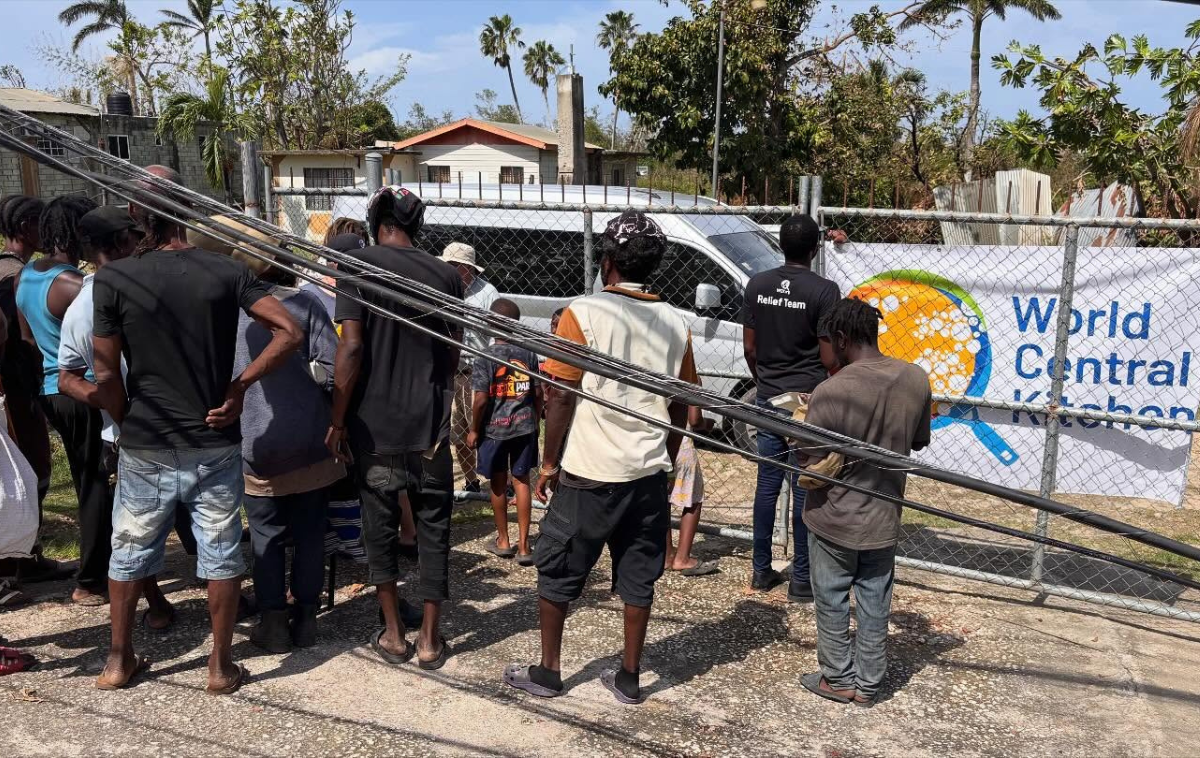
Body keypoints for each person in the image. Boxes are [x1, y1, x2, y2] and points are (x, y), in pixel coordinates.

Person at [92, 172, 302, 693]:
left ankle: (119, 662)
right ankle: (219, 666)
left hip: (145, 442)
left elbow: (102, 375)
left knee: (129, 550)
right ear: (189, 211)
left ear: (136, 217)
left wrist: (126, 422)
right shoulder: (224, 272)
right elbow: (291, 331)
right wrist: (240, 387)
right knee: (222, 550)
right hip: (213, 441)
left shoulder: (115, 280)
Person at [503, 210, 696, 705]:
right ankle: (629, 677)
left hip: (590, 472)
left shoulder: (583, 312)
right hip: (647, 475)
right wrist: (666, 456)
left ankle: (549, 671)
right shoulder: (677, 322)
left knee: (559, 567)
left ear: (608, 261)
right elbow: (682, 403)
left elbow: (561, 396)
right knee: (639, 574)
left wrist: (548, 465)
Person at [327, 186, 463, 670]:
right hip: (429, 429)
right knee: (434, 530)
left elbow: (352, 348)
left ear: (376, 220)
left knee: (379, 528)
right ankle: (430, 638)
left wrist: (338, 418)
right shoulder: (447, 275)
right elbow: (452, 354)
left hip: (373, 429)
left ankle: (392, 633)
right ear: (416, 223)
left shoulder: (356, 267)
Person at [204, 218, 342, 653]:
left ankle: (273, 622)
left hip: (255, 441)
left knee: (265, 535)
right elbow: (334, 370)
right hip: (310, 440)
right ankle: (306, 618)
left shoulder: (227, 312)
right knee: (310, 532)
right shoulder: (305, 306)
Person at [797, 298, 931, 708]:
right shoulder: (915, 378)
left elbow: (809, 458)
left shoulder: (831, 390)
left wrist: (798, 424)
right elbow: (919, 440)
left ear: (840, 339)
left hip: (833, 517)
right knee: (875, 598)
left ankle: (838, 678)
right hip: (884, 516)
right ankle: (870, 682)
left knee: (832, 595)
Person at [56, 205, 177, 631]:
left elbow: (66, 377)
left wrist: (114, 409)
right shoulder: (102, 298)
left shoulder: (83, 302)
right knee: (142, 531)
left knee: (140, 528)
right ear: (124, 243)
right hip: (141, 433)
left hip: (136, 429)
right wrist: (120, 409)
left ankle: (157, 606)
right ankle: (148, 617)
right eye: (135, 236)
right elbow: (79, 377)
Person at [15, 195, 114, 606]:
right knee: (95, 484)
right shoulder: (74, 285)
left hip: (48, 391)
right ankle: (92, 580)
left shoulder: (27, 278)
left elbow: (26, 341)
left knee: (83, 478)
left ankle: (97, 569)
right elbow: (101, 342)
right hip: (82, 391)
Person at [741, 214, 839, 601]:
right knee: (805, 487)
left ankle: (761, 570)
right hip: (806, 402)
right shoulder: (824, 290)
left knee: (767, 484)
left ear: (780, 244)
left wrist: (766, 378)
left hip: (768, 396)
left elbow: (750, 348)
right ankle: (801, 579)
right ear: (815, 249)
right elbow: (830, 355)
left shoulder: (758, 285)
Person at [0, 196, 65, 585]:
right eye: (42, 224)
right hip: (17, 392)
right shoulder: (13, 276)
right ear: (26, 227)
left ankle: (25, 556)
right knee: (30, 470)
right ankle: (18, 562)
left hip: (18, 389)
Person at [467, 298, 540, 566]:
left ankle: (503, 540)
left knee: (498, 483)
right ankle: (524, 545)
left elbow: (481, 399)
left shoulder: (484, 357)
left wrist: (474, 429)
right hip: (524, 426)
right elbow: (538, 391)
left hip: (494, 430)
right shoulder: (529, 354)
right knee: (522, 481)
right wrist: (534, 415)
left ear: (489, 324)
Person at [444, 241, 498, 493]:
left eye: (454, 266)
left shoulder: (487, 293)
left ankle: (501, 480)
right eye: (448, 265)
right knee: (459, 432)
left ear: (467, 268)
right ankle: (471, 481)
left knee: (486, 429)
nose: (450, 270)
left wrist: (488, 373)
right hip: (453, 372)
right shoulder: (444, 289)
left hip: (478, 371)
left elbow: (495, 337)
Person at [666, 405, 717, 576]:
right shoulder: (691, 377)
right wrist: (707, 424)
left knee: (662, 497)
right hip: (682, 445)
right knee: (693, 499)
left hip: (659, 443)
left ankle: (666, 554)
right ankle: (682, 558)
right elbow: (694, 420)